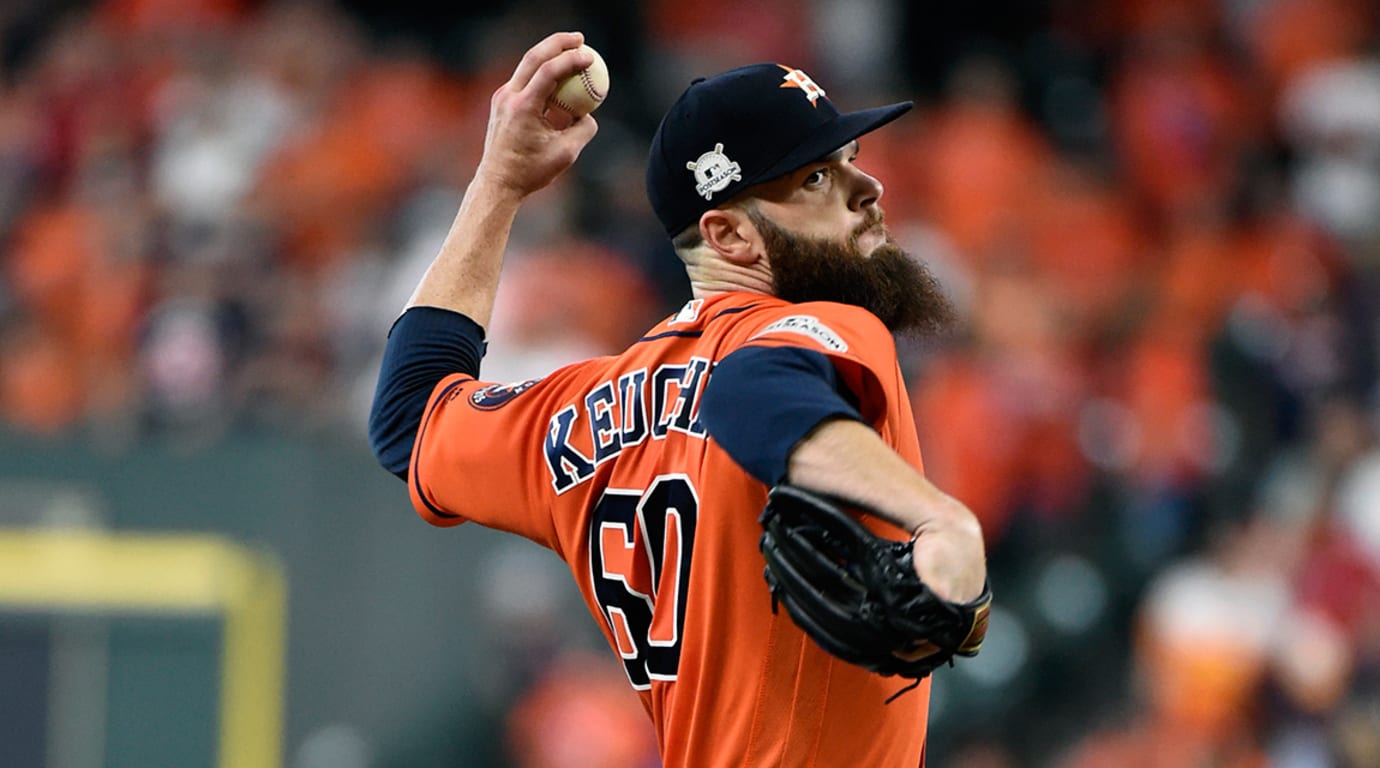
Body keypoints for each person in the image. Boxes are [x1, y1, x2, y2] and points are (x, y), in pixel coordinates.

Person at [368, 31, 988, 766]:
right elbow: (752, 394)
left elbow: (411, 417)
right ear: (728, 235)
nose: (869, 190)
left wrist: (497, 186)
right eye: (817, 179)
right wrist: (938, 516)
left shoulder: (583, 402)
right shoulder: (829, 325)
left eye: (849, 161)